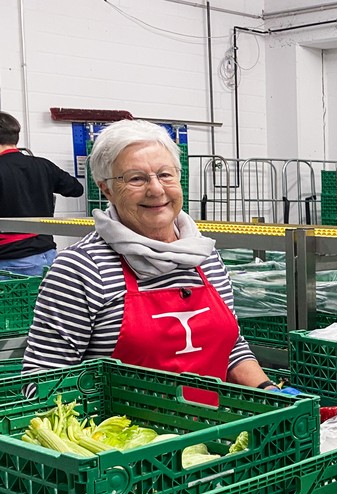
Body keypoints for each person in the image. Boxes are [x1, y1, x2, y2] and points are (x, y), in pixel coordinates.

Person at [22, 120, 293, 398]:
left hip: (214, 434)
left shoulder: (205, 255)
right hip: (127, 438)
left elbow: (231, 346)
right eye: (136, 178)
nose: (156, 189)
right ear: (107, 190)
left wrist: (269, 391)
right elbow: (40, 381)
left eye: (165, 174)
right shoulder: (80, 268)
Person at [0, 112, 84, 275]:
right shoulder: (43, 166)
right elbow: (76, 189)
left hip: (13, 260)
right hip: (48, 255)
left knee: (16, 302)